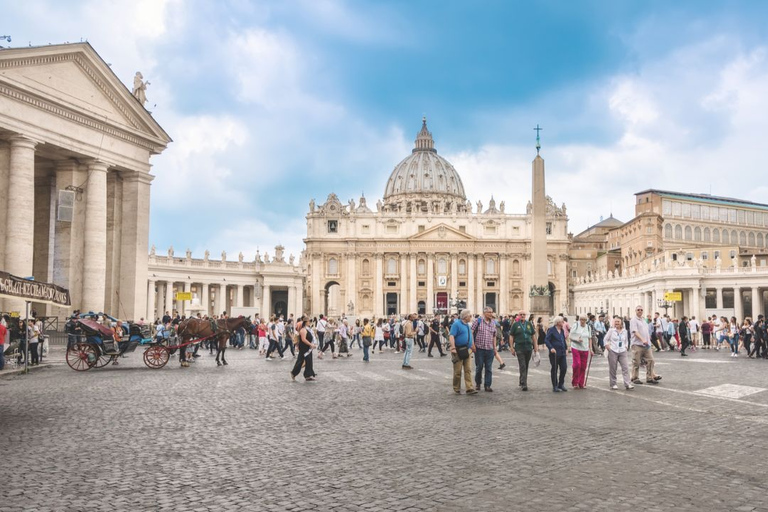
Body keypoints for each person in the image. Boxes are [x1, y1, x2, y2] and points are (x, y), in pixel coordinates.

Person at [630, 305, 661, 385]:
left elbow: (646, 331)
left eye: (641, 310)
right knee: (636, 362)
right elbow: (635, 331)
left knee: (651, 360)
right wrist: (642, 339)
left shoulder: (644, 320)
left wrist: (648, 339)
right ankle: (634, 378)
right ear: (635, 311)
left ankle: (650, 377)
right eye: (638, 310)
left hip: (646, 345)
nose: (640, 311)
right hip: (637, 344)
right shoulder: (633, 320)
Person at [449, 309, 476, 395]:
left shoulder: (467, 325)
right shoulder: (456, 324)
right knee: (458, 371)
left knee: (468, 369)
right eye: (470, 316)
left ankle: (469, 388)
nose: (471, 317)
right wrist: (453, 347)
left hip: (467, 350)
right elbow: (451, 336)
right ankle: (456, 387)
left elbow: (469, 336)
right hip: (458, 350)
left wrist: (472, 345)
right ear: (465, 317)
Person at [510, 309, 538, 391]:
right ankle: (524, 384)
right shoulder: (515, 325)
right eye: (521, 314)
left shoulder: (529, 324)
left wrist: (535, 346)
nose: (522, 316)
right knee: (522, 365)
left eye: (524, 314)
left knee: (526, 365)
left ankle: (521, 380)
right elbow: (511, 336)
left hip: (528, 348)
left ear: (526, 316)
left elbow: (533, 336)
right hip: (519, 348)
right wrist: (512, 347)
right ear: (518, 316)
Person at [604, 316, 633, 390]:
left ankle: (627, 383)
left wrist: (626, 347)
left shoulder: (624, 331)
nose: (616, 323)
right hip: (613, 350)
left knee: (625, 367)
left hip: (622, 351)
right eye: (615, 321)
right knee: (613, 368)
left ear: (621, 323)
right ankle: (613, 384)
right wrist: (608, 347)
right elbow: (605, 339)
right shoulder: (611, 330)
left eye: (618, 322)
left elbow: (626, 340)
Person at [471, 307, 497, 392]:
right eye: (489, 312)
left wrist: (495, 348)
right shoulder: (478, 321)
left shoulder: (493, 322)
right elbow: (471, 332)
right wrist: (473, 345)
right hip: (479, 348)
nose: (491, 314)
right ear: (485, 313)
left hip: (489, 348)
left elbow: (494, 336)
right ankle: (478, 383)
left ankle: (487, 385)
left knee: (489, 368)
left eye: (491, 312)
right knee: (479, 366)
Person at [545, 316, 568, 392]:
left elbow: (563, 340)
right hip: (554, 353)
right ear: (558, 322)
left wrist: (566, 348)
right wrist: (551, 348)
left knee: (564, 368)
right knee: (554, 369)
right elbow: (547, 340)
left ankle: (561, 384)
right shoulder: (551, 330)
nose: (563, 322)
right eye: (562, 321)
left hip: (562, 352)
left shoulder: (561, 330)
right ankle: (555, 385)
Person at [569, 316, 593, 389]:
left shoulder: (588, 327)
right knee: (577, 364)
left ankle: (581, 383)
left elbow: (590, 338)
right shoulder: (575, 325)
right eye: (581, 319)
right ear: (579, 320)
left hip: (585, 348)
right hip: (576, 347)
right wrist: (577, 339)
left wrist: (591, 349)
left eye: (584, 320)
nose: (582, 321)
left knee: (583, 366)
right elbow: (570, 336)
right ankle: (575, 382)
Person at [291, 316, 317, 381]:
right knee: (300, 361)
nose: (310, 323)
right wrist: (310, 344)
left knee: (309, 361)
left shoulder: (308, 329)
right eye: (309, 321)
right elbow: (303, 339)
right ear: (306, 322)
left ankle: (308, 375)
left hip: (308, 347)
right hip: (304, 348)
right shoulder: (303, 330)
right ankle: (293, 373)